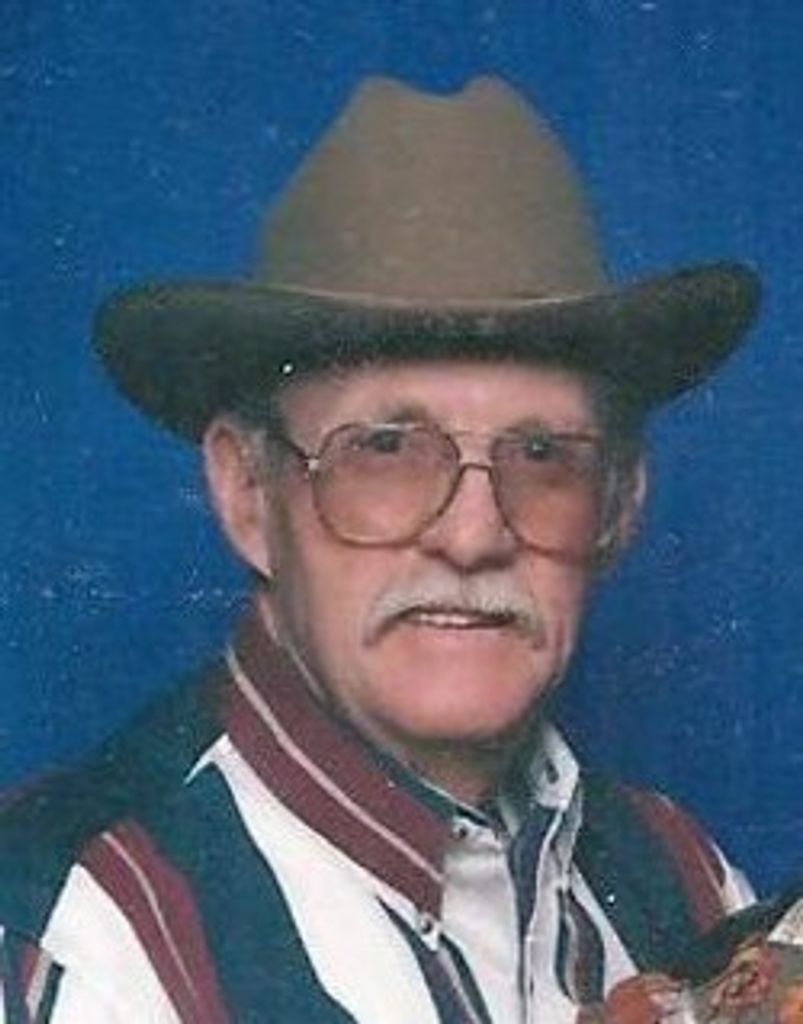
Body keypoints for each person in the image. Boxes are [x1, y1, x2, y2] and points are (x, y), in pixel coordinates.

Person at [0, 76, 761, 1023]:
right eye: (387, 450)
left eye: (541, 455)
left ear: (616, 503)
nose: (473, 536)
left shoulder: (687, 884)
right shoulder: (79, 937)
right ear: (247, 492)